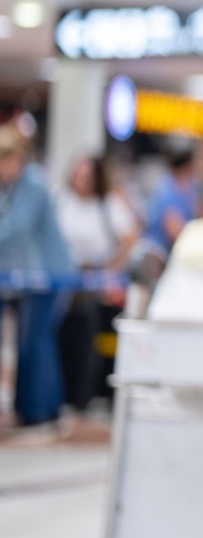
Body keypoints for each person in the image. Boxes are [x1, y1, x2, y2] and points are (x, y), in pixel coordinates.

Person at [0, 124, 76, 431]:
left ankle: (42, 410)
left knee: (37, 341)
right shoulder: (11, 188)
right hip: (29, 278)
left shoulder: (33, 185)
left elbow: (15, 228)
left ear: (18, 158)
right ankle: (28, 408)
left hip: (50, 276)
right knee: (27, 341)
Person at [54, 154, 138, 410]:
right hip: (67, 280)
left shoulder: (108, 204)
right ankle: (69, 390)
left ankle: (92, 391)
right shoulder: (62, 200)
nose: (82, 180)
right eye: (79, 174)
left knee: (95, 334)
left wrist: (110, 266)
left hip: (98, 284)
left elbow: (130, 236)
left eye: (88, 176)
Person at [143, 147, 199, 257]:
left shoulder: (189, 187)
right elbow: (174, 231)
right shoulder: (166, 190)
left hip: (179, 250)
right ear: (187, 166)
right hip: (161, 254)